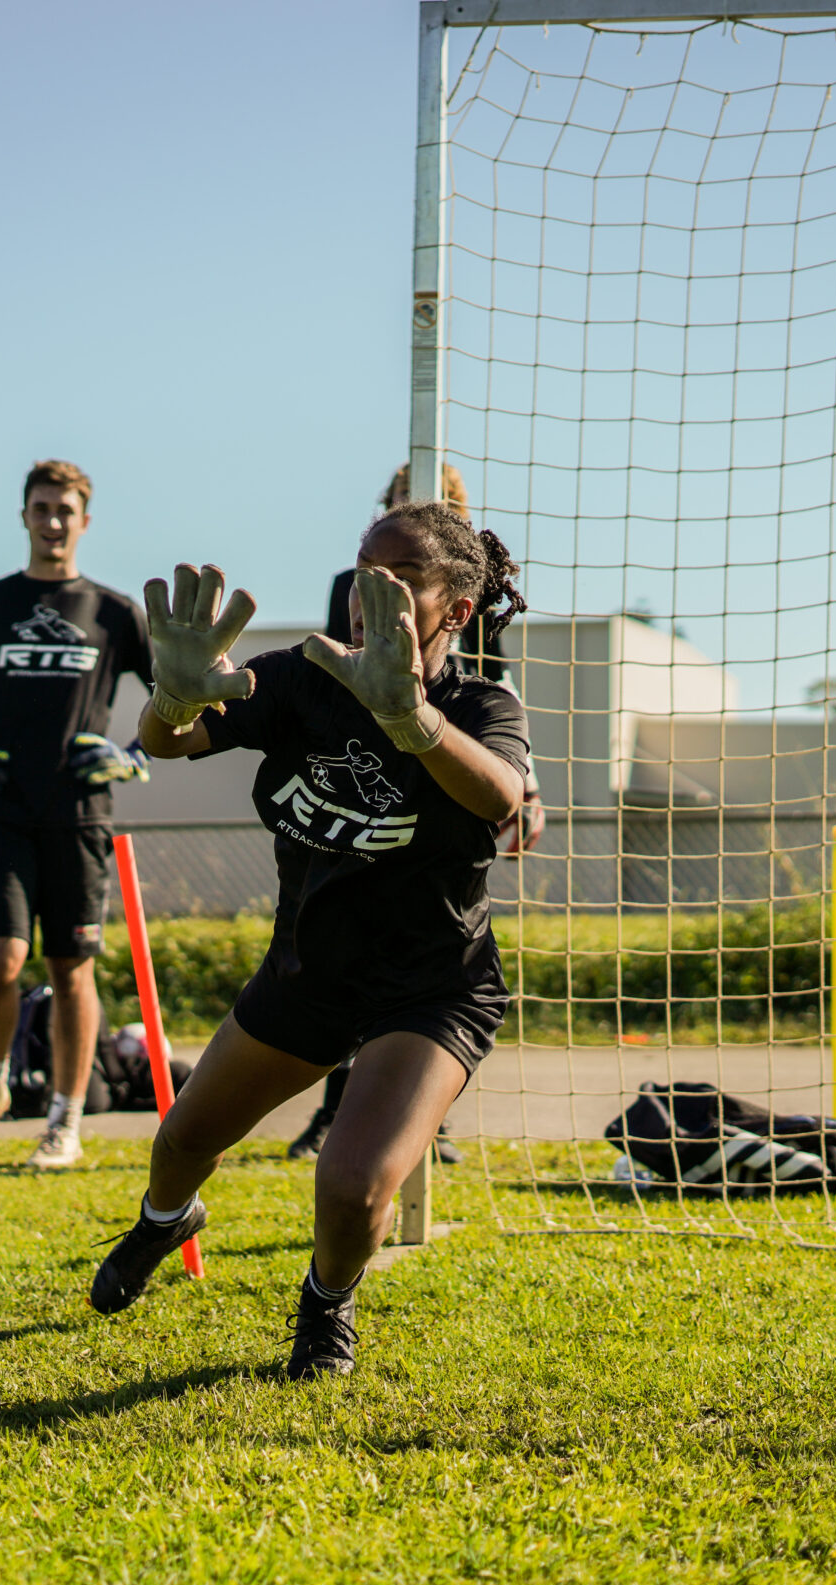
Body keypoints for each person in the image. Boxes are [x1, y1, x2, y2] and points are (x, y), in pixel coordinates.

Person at [89, 501, 531, 1379]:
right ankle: (166, 1220)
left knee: (352, 1182)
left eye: (404, 575)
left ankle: (327, 1303)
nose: (375, 590)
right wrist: (169, 697)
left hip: (430, 986)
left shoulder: (479, 705)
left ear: (456, 610)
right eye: (366, 568)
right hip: (310, 972)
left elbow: (500, 799)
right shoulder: (304, 677)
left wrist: (411, 721)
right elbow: (169, 742)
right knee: (181, 1142)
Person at [0, 460, 154, 1169]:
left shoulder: (111, 611)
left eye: (64, 510)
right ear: (24, 516)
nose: (52, 522)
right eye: (41, 508)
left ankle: (65, 1123)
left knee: (72, 968)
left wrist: (135, 755)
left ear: (84, 520)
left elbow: (179, 692)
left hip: (78, 817)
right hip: (2, 813)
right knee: (0, 959)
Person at [289, 465, 544, 1164]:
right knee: (340, 942)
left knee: (432, 946)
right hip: (368, 770)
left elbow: (501, 682)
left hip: (445, 754)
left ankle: (426, 1119)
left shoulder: (464, 590)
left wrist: (530, 787)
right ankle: (330, 1114)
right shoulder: (354, 582)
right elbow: (330, 665)